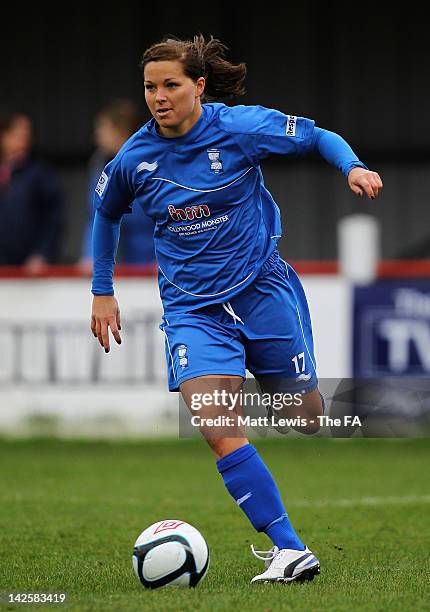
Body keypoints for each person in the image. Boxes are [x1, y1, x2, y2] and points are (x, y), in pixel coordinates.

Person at [90, 35, 383, 584]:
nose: (158, 97)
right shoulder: (134, 158)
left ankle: (291, 384)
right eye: (150, 87)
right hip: (192, 310)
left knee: (307, 416)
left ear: (198, 86)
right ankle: (290, 549)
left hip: (262, 290)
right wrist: (101, 290)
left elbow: (317, 135)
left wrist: (352, 167)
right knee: (216, 424)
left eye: (171, 85)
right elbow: (105, 214)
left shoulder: (241, 128)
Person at [80, 99, 155, 273]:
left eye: (102, 128)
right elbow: (95, 216)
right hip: (124, 262)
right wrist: (90, 257)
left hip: (155, 258)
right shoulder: (100, 166)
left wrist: (165, 259)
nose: (96, 136)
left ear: (120, 131)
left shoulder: (150, 164)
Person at [0, 111, 63, 273]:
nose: (23, 143)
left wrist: (42, 254)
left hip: (29, 268)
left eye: (26, 136)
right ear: (4, 136)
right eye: (17, 136)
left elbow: (54, 219)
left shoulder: (40, 174)